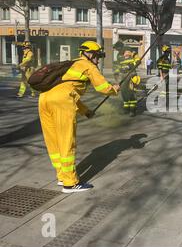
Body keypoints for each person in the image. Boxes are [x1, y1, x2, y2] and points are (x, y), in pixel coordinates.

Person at [38, 41, 120, 193]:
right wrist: (114, 89)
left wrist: (86, 111)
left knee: (53, 141)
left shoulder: (70, 64)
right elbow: (102, 87)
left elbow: (68, 92)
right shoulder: (88, 66)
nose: (98, 59)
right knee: (66, 141)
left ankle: (62, 176)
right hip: (61, 103)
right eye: (97, 56)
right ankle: (70, 184)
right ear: (89, 54)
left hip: (44, 100)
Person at [119, 49, 141, 116]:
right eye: (126, 52)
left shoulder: (132, 59)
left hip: (131, 79)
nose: (127, 53)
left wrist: (135, 55)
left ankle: (132, 110)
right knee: (125, 94)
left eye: (129, 52)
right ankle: (126, 109)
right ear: (124, 54)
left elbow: (138, 62)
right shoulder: (121, 61)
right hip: (124, 79)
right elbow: (120, 70)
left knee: (132, 95)